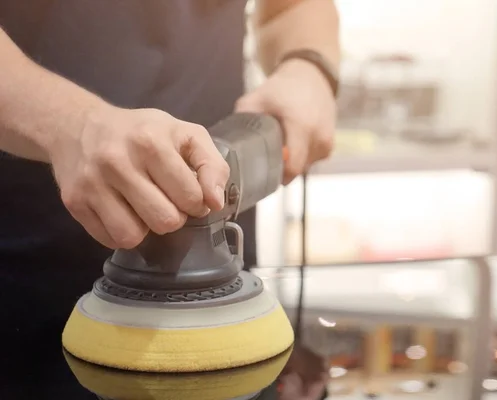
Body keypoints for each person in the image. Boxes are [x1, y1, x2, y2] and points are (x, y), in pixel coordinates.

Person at [0, 0, 339, 388]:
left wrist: (308, 64)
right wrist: (66, 123)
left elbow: (291, 7)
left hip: (226, 261)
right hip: (21, 266)